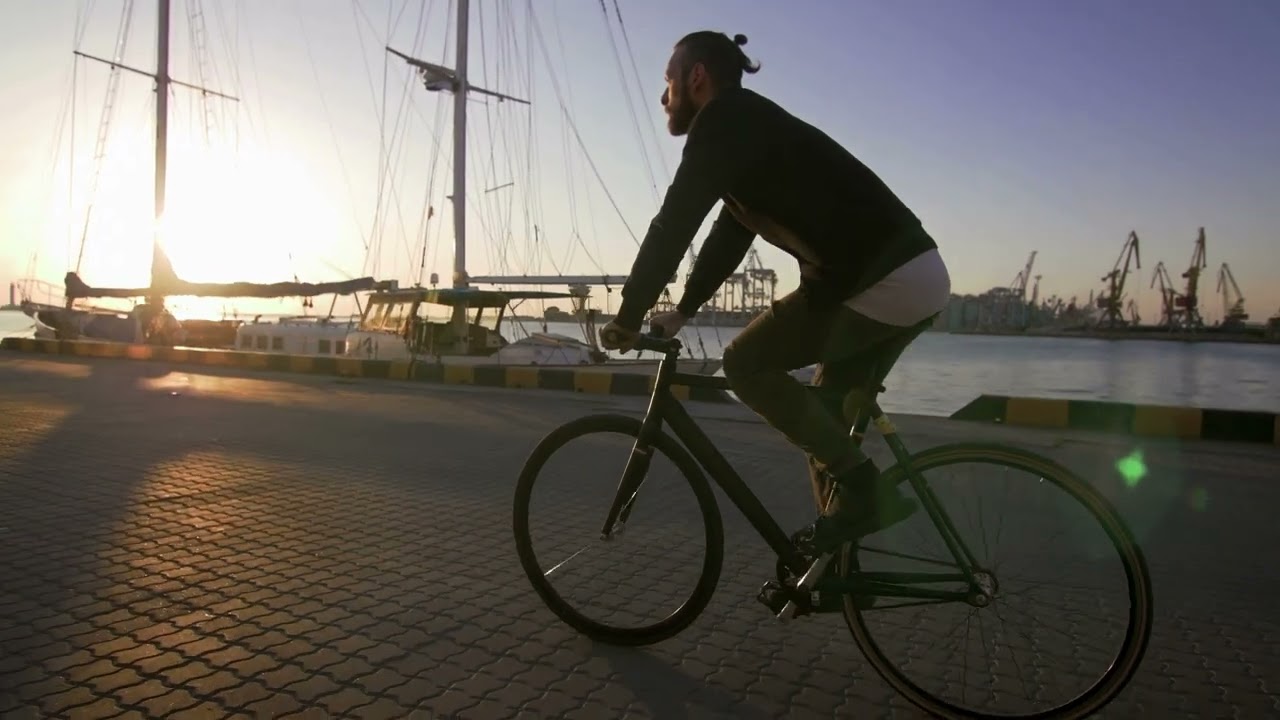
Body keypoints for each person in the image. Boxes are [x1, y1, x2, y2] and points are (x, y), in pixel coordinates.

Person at [599, 31, 953, 557]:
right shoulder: (750, 127)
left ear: (697, 77)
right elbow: (728, 234)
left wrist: (628, 314)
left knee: (743, 363)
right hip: (919, 276)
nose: (663, 95)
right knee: (825, 430)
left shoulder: (722, 121)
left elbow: (674, 223)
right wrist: (684, 310)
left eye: (668, 80)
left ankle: (866, 491)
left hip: (874, 281)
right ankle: (836, 572)